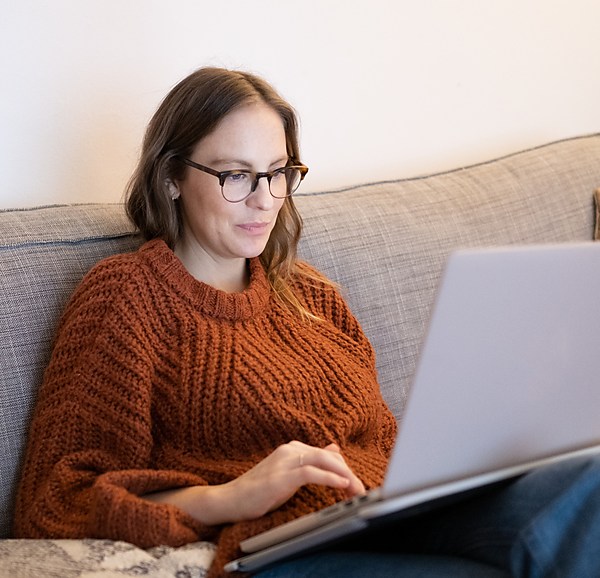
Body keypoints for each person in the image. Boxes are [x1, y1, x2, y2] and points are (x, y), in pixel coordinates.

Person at [13, 67, 600, 578]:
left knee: (587, 484)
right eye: (235, 175)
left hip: (384, 509)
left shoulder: (312, 294)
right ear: (172, 177)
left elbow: (385, 438)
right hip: (281, 545)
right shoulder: (126, 297)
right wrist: (232, 496)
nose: (266, 199)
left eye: (277, 171)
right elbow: (58, 501)